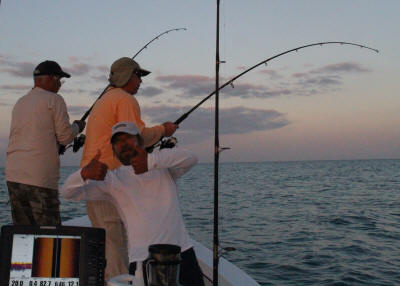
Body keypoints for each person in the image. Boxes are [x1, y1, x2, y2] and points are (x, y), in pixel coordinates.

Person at [61, 121, 204, 286]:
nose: (123, 144)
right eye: (117, 142)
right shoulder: (112, 179)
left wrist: (150, 162)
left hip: (181, 252)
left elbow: (191, 158)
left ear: (140, 141)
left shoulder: (163, 167)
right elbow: (67, 193)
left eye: (128, 138)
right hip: (142, 261)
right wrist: (84, 174)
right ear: (114, 150)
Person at [81, 57, 178, 279]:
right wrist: (164, 129)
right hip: (108, 179)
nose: (141, 81)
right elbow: (138, 138)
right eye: (138, 75)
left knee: (109, 244)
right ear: (127, 76)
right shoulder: (125, 100)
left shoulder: (106, 99)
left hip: (95, 180)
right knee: (115, 247)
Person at [5, 60, 86, 226]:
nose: (60, 85)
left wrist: (54, 145)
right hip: (39, 177)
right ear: (51, 78)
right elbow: (65, 137)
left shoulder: (21, 102)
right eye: (60, 80)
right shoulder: (54, 99)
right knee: (49, 232)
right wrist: (77, 127)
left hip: (13, 175)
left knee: (23, 232)